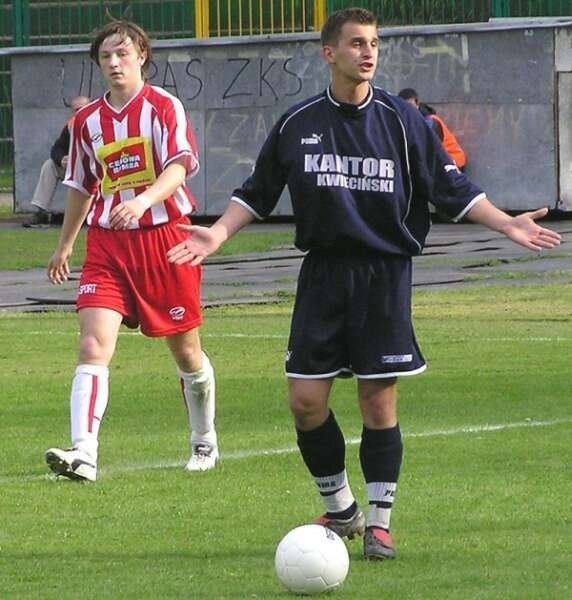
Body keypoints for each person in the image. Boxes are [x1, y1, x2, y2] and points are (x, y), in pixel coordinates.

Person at [166, 8, 561, 561]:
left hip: (383, 275)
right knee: (305, 402)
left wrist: (506, 221)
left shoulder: (405, 122)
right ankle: (342, 507)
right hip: (323, 274)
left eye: (374, 43)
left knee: (378, 402)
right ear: (329, 53)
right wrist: (217, 235)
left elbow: (453, 189)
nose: (368, 52)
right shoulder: (298, 122)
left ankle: (379, 521)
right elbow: (258, 190)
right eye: (356, 43)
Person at [44, 20, 218, 482]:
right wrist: (65, 245)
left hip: (166, 242)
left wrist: (143, 200)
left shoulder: (164, 107)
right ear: (98, 64)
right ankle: (84, 453)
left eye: (124, 53)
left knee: (186, 354)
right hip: (107, 246)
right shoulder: (85, 122)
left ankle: (204, 440)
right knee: (91, 343)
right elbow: (82, 186)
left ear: (142, 56)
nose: (115, 63)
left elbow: (180, 167)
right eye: (106, 56)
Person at [22, 96, 91, 228]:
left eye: (82, 109)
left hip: (96, 170)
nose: (78, 112)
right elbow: (57, 148)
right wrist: (61, 158)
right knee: (50, 165)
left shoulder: (99, 121)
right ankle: (40, 212)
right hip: (75, 168)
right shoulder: (71, 125)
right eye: (75, 110)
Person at [398, 87, 467, 171]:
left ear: (417, 105)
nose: (408, 111)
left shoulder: (431, 121)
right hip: (441, 162)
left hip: (453, 161)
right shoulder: (409, 121)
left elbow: (425, 150)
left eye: (411, 106)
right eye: (404, 107)